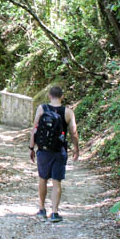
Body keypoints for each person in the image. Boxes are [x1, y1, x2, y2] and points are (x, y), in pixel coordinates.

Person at [29, 86, 79, 222]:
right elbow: (74, 133)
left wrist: (31, 148)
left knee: (42, 179)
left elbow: (34, 129)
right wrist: (76, 149)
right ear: (62, 97)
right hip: (59, 151)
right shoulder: (68, 112)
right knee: (57, 182)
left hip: (43, 151)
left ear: (49, 96)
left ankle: (41, 209)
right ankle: (55, 213)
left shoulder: (42, 109)